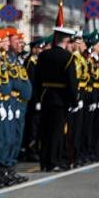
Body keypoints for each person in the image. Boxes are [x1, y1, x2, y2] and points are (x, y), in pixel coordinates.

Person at [31, 26, 79, 171]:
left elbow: (37, 79)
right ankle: (53, 161)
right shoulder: (68, 57)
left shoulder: (44, 55)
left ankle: (44, 162)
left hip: (46, 96)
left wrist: (38, 97)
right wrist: (74, 100)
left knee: (45, 130)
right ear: (66, 40)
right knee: (56, 132)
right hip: (61, 98)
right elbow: (71, 81)